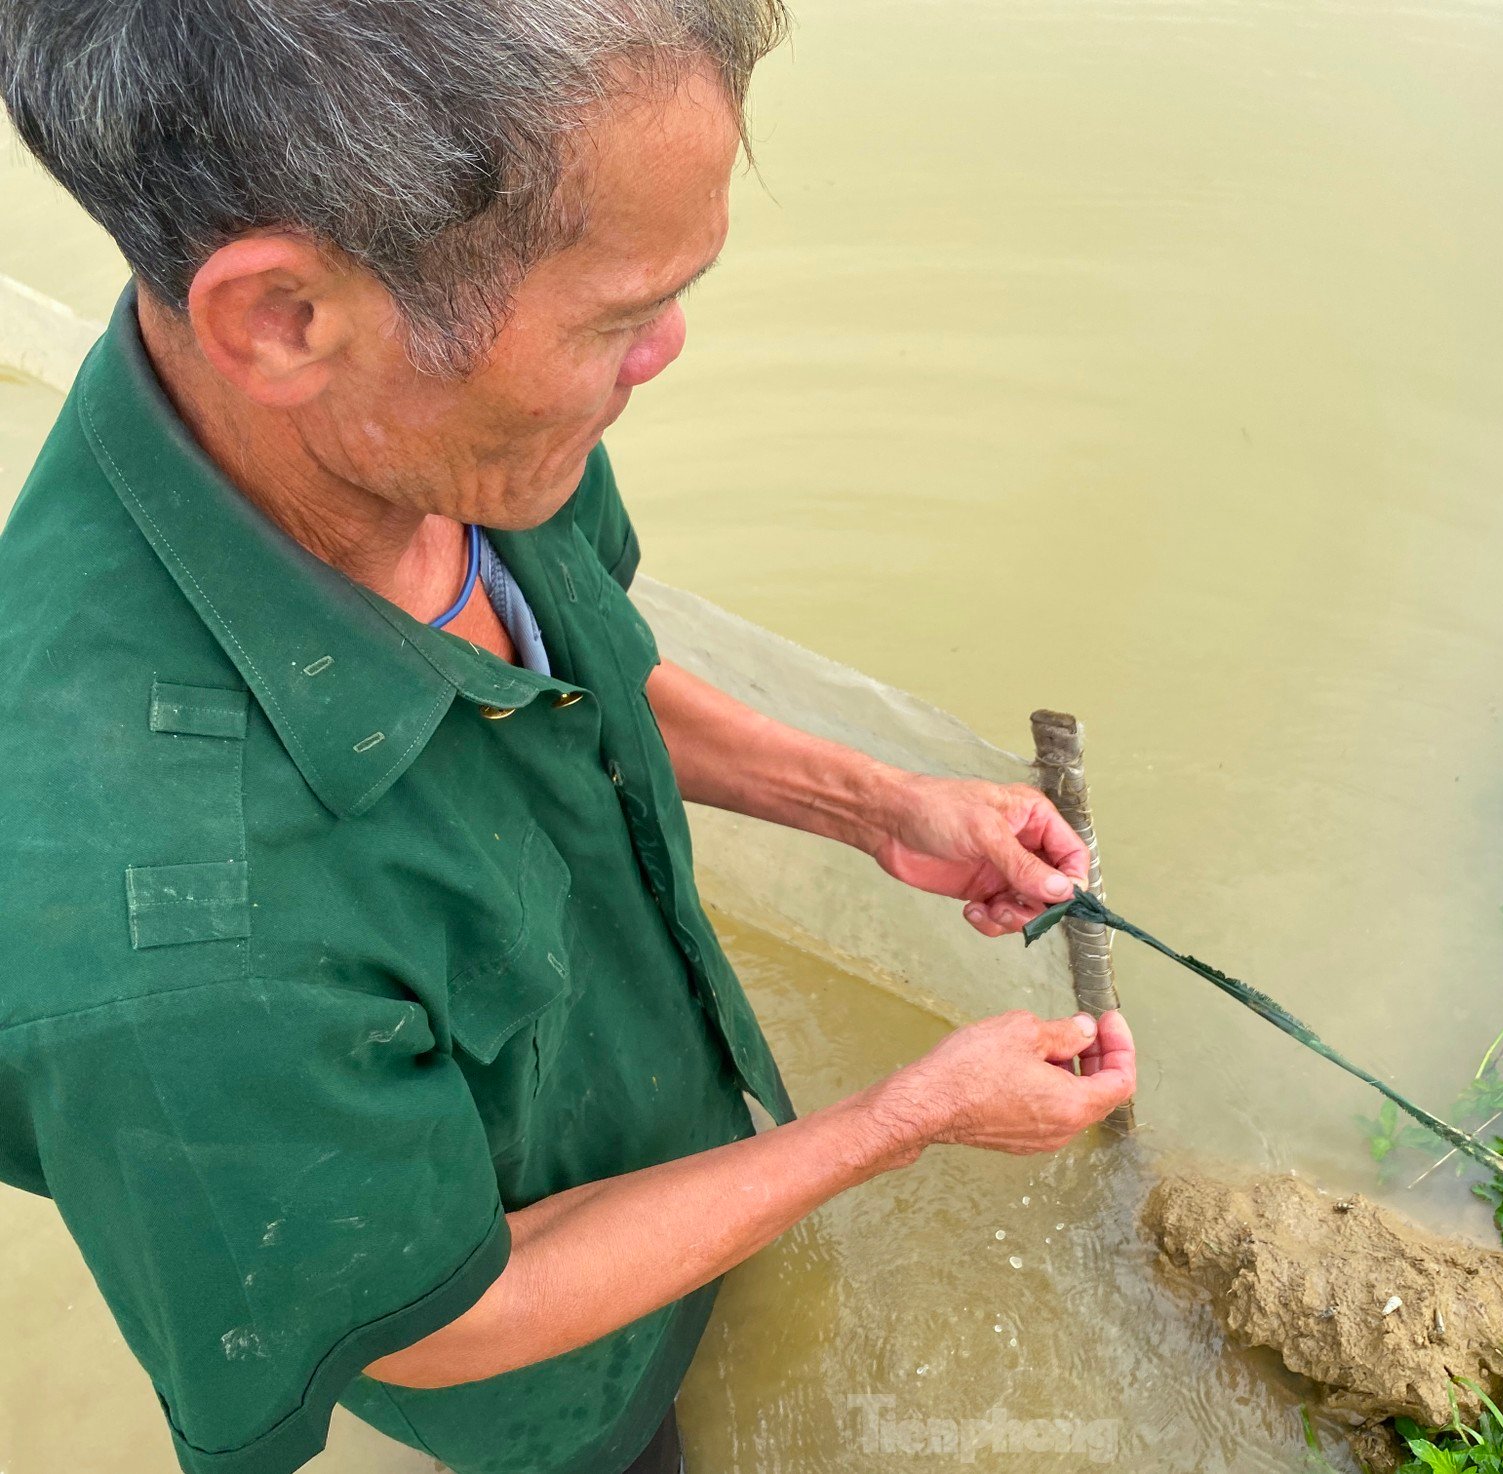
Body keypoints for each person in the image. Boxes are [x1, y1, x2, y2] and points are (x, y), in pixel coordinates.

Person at [0, 4, 1137, 1472]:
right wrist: (905, 1116)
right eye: (612, 317)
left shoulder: (403, 420)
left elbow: (581, 661)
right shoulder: (166, 949)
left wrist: (877, 803)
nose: (662, 352)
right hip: (555, 1381)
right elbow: (440, 1315)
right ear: (279, 317)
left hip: (644, 1089)